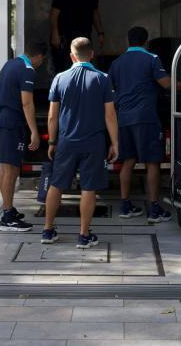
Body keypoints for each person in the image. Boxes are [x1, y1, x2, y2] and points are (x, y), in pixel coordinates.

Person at [43, 37, 119, 249]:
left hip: (66, 142)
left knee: (56, 185)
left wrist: (52, 141)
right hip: (94, 142)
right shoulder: (102, 79)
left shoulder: (59, 78)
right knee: (89, 188)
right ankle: (84, 235)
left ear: (71, 56)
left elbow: (52, 116)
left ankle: (48, 230)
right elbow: (110, 115)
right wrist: (115, 143)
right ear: (92, 54)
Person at [108, 26, 172, 222]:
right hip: (146, 118)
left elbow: (109, 90)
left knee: (128, 161)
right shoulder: (151, 59)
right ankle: (154, 209)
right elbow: (166, 84)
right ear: (146, 41)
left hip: (123, 118)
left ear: (128, 41)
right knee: (153, 162)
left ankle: (125, 205)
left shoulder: (116, 63)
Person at [0, 41, 48, 233]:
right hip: (12, 123)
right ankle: (7, 217)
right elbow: (27, 103)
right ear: (39, 57)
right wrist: (34, 131)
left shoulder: (10, 64)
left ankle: (8, 209)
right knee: (10, 168)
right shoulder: (27, 69)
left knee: (7, 168)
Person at [49, 0, 105, 74]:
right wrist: (54, 33)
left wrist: (100, 33)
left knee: (86, 67)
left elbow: (95, 13)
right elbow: (54, 14)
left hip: (85, 36)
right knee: (65, 67)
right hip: (66, 35)